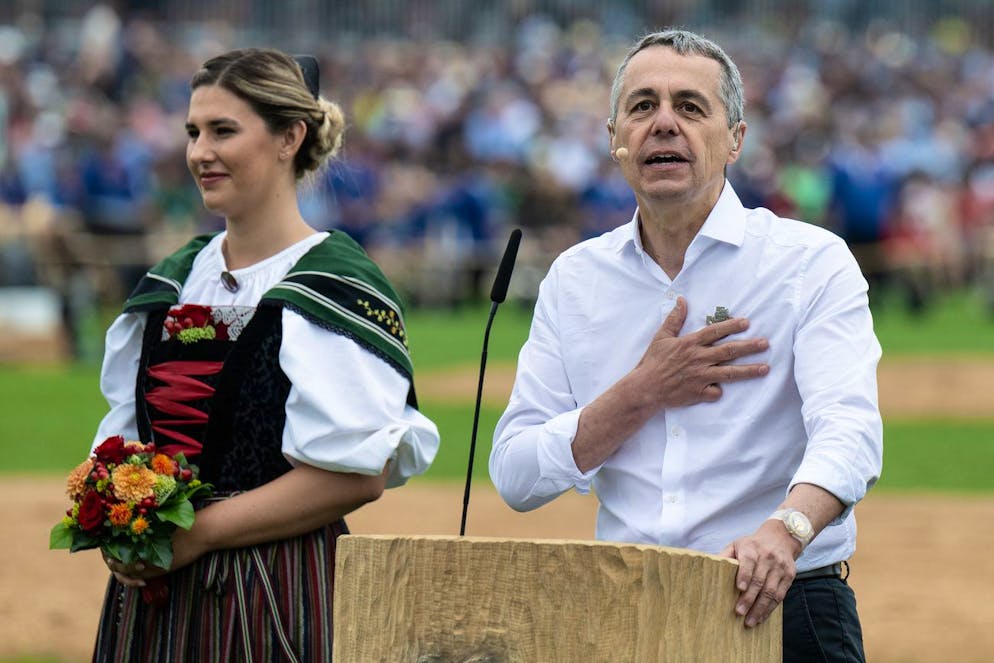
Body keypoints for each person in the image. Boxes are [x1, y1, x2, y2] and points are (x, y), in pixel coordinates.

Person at [490, 29, 881, 663]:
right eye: (642, 106)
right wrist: (641, 392)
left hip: (781, 602)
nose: (664, 123)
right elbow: (514, 473)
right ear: (613, 136)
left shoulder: (809, 262)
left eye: (690, 107)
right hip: (625, 610)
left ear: (735, 140)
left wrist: (787, 531)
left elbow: (851, 430)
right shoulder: (574, 278)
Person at [88, 48, 440, 661]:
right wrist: (122, 524)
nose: (200, 151)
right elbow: (127, 441)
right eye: (194, 132)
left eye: (224, 130)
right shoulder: (172, 282)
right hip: (153, 602)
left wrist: (196, 534)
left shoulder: (332, 283)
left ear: (289, 138)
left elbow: (358, 475)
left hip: (273, 595)